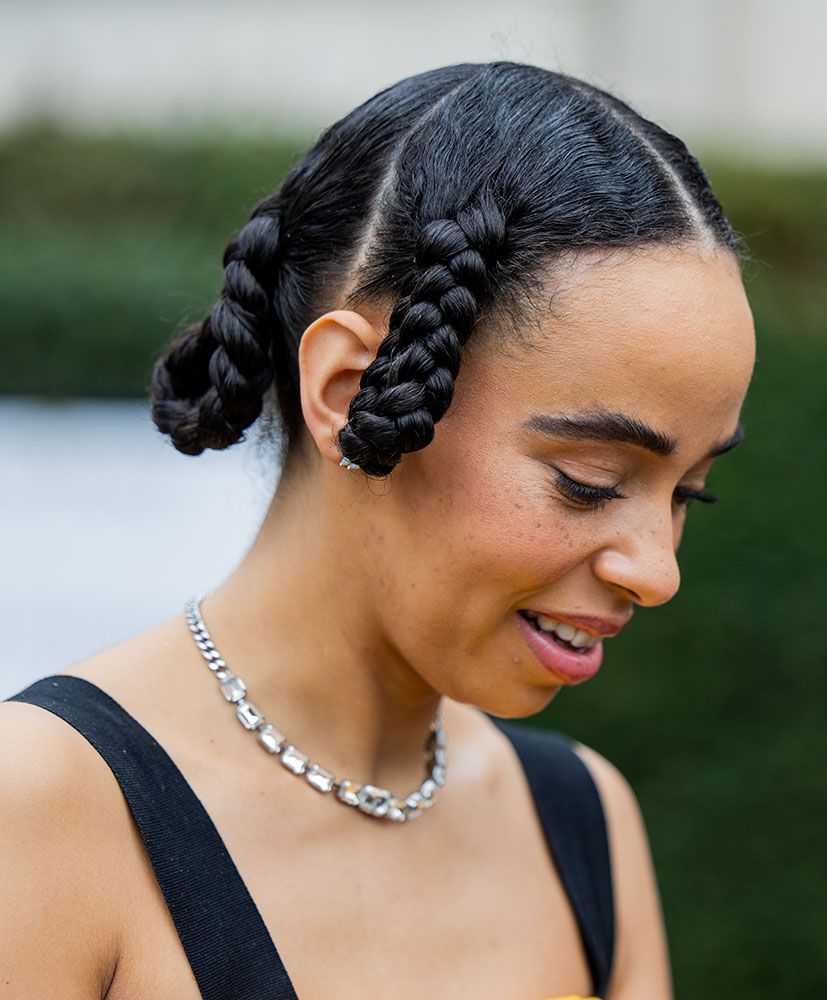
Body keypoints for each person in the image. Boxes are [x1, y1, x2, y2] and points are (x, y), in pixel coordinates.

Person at [0, 61, 755, 999]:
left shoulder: (583, 827)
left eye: (689, 493)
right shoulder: (44, 808)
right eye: (590, 482)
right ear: (352, 393)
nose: (658, 570)